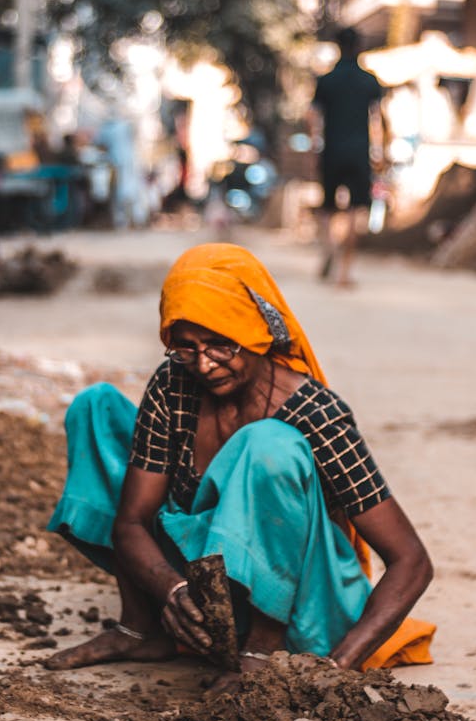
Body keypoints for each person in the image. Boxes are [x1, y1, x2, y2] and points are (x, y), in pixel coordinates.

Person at [45, 244, 434, 681]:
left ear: (257, 333)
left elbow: (412, 561)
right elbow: (131, 521)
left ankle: (261, 652)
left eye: (220, 345)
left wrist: (338, 667)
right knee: (96, 407)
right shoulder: (174, 385)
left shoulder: (316, 414)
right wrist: (171, 590)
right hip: (203, 594)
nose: (204, 364)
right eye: (186, 347)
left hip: (298, 603)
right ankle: (141, 628)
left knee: (267, 444)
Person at [308, 26, 387, 288]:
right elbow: (377, 119)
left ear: (338, 47)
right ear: (359, 47)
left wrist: (315, 147)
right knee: (356, 211)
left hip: (331, 150)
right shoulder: (369, 81)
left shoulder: (326, 80)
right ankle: (344, 272)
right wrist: (380, 150)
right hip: (359, 152)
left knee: (327, 208)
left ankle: (329, 247)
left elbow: (313, 116)